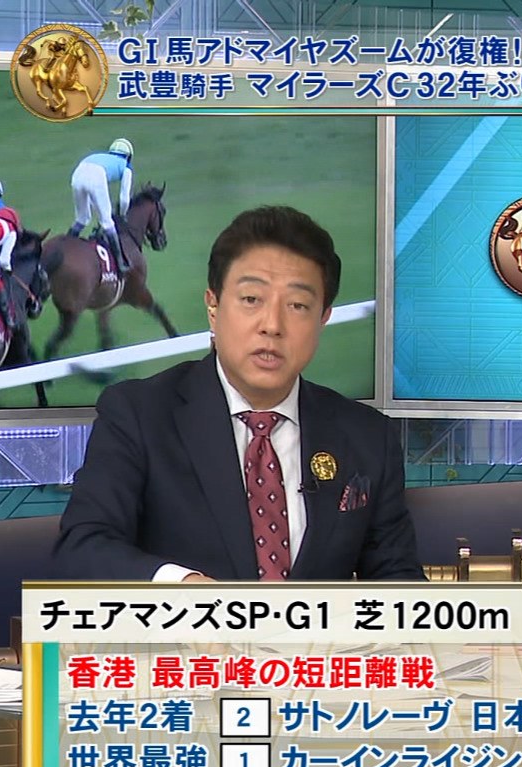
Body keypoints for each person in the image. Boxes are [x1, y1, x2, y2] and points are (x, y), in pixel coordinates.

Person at [54, 205, 424, 583]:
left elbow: (399, 581)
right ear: (213, 307)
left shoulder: (368, 436)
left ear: (323, 318)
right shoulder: (138, 415)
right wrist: (181, 588)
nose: (272, 325)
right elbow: (82, 549)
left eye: (297, 305)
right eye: (251, 300)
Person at [67, 138, 135, 277]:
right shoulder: (126, 166)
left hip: (77, 176)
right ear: (128, 156)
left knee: (82, 218)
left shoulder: (99, 156)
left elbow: (91, 192)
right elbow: (124, 199)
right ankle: (120, 265)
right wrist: (122, 215)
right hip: (96, 178)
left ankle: (66, 246)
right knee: (107, 222)